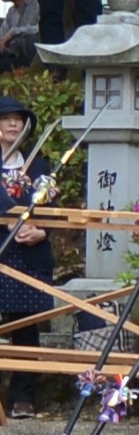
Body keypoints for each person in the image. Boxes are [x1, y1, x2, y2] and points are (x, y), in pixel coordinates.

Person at [0, 97, 53, 412]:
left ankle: (23, 396)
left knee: (26, 326)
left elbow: (52, 211)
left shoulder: (38, 164)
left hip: (30, 255)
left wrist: (42, 231)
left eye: (19, 119)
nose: (13, 124)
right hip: (1, 251)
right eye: (6, 118)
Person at [0, 0, 36, 68]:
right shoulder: (12, 11)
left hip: (34, 57)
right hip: (14, 55)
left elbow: (40, 30)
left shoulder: (38, 3)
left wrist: (14, 32)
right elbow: (2, 36)